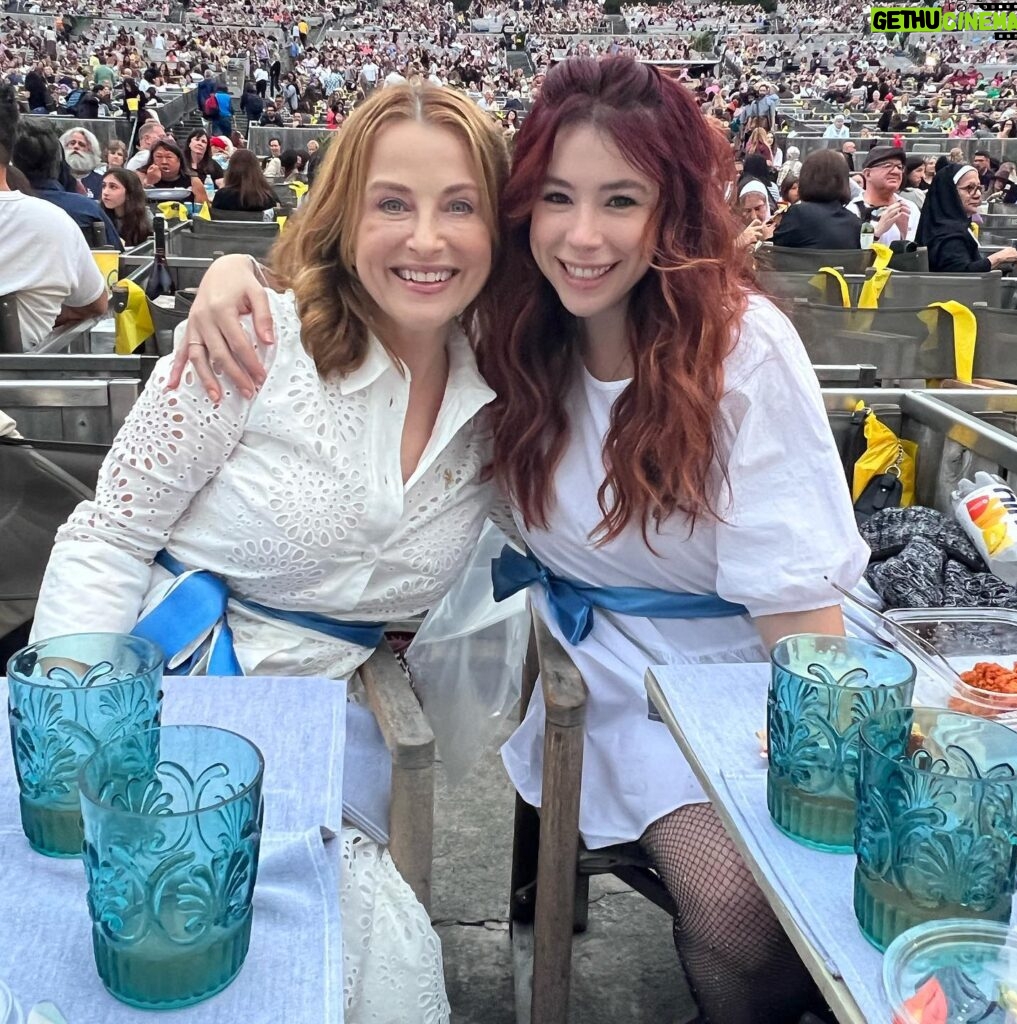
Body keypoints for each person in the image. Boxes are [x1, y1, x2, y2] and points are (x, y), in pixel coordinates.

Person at [172, 58, 867, 1024]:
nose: (583, 237)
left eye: (620, 200)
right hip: (610, 670)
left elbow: (800, 615)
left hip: (754, 664)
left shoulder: (739, 347)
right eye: (557, 199)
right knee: (739, 907)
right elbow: (355, 281)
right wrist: (231, 270)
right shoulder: (510, 325)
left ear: (672, 214)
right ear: (523, 211)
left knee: (837, 876)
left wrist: (818, 772)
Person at [31, 81, 509, 1024]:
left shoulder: (516, 389)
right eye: (391, 204)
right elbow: (110, 532)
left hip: (327, 718)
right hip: (160, 678)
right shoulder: (256, 340)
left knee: (342, 977)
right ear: (343, 214)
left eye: (460, 205)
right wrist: (72, 735)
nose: (426, 239)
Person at [0, 84, 108, 350]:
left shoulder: (53, 220)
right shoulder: (53, 223)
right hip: (21, 384)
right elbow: (96, 303)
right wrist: (48, 315)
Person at [12, 120, 122, 249]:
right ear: (59, 159)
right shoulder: (87, 210)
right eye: (72, 143)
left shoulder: (6, 210)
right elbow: (117, 260)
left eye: (81, 144)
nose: (76, 147)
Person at [917, 164, 1017, 273]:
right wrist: (998, 258)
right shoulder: (948, 235)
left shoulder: (954, 225)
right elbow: (961, 276)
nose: (978, 194)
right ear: (949, 192)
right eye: (969, 188)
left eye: (979, 188)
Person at [772, 149, 861, 249]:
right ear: (843, 181)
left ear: (805, 178)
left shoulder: (797, 214)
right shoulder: (854, 223)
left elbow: (777, 251)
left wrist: (765, 237)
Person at [847, 146, 919, 245]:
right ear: (868, 174)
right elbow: (849, 255)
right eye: (887, 165)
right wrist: (877, 233)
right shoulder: (852, 211)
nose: (896, 171)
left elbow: (917, 255)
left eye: (899, 167)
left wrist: (903, 233)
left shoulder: (910, 209)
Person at [143, 139, 208, 206]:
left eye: (169, 157)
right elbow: (135, 204)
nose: (164, 162)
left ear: (179, 160)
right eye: (159, 157)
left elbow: (203, 209)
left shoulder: (193, 181)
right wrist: (149, 182)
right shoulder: (141, 175)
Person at [211, 149, 278, 214]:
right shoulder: (269, 197)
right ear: (257, 170)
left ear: (231, 170)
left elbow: (214, 221)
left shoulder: (221, 197)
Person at [100, 166, 152, 246]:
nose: (105, 192)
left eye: (113, 187)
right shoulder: (97, 214)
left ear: (129, 193)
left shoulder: (146, 218)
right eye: (104, 186)